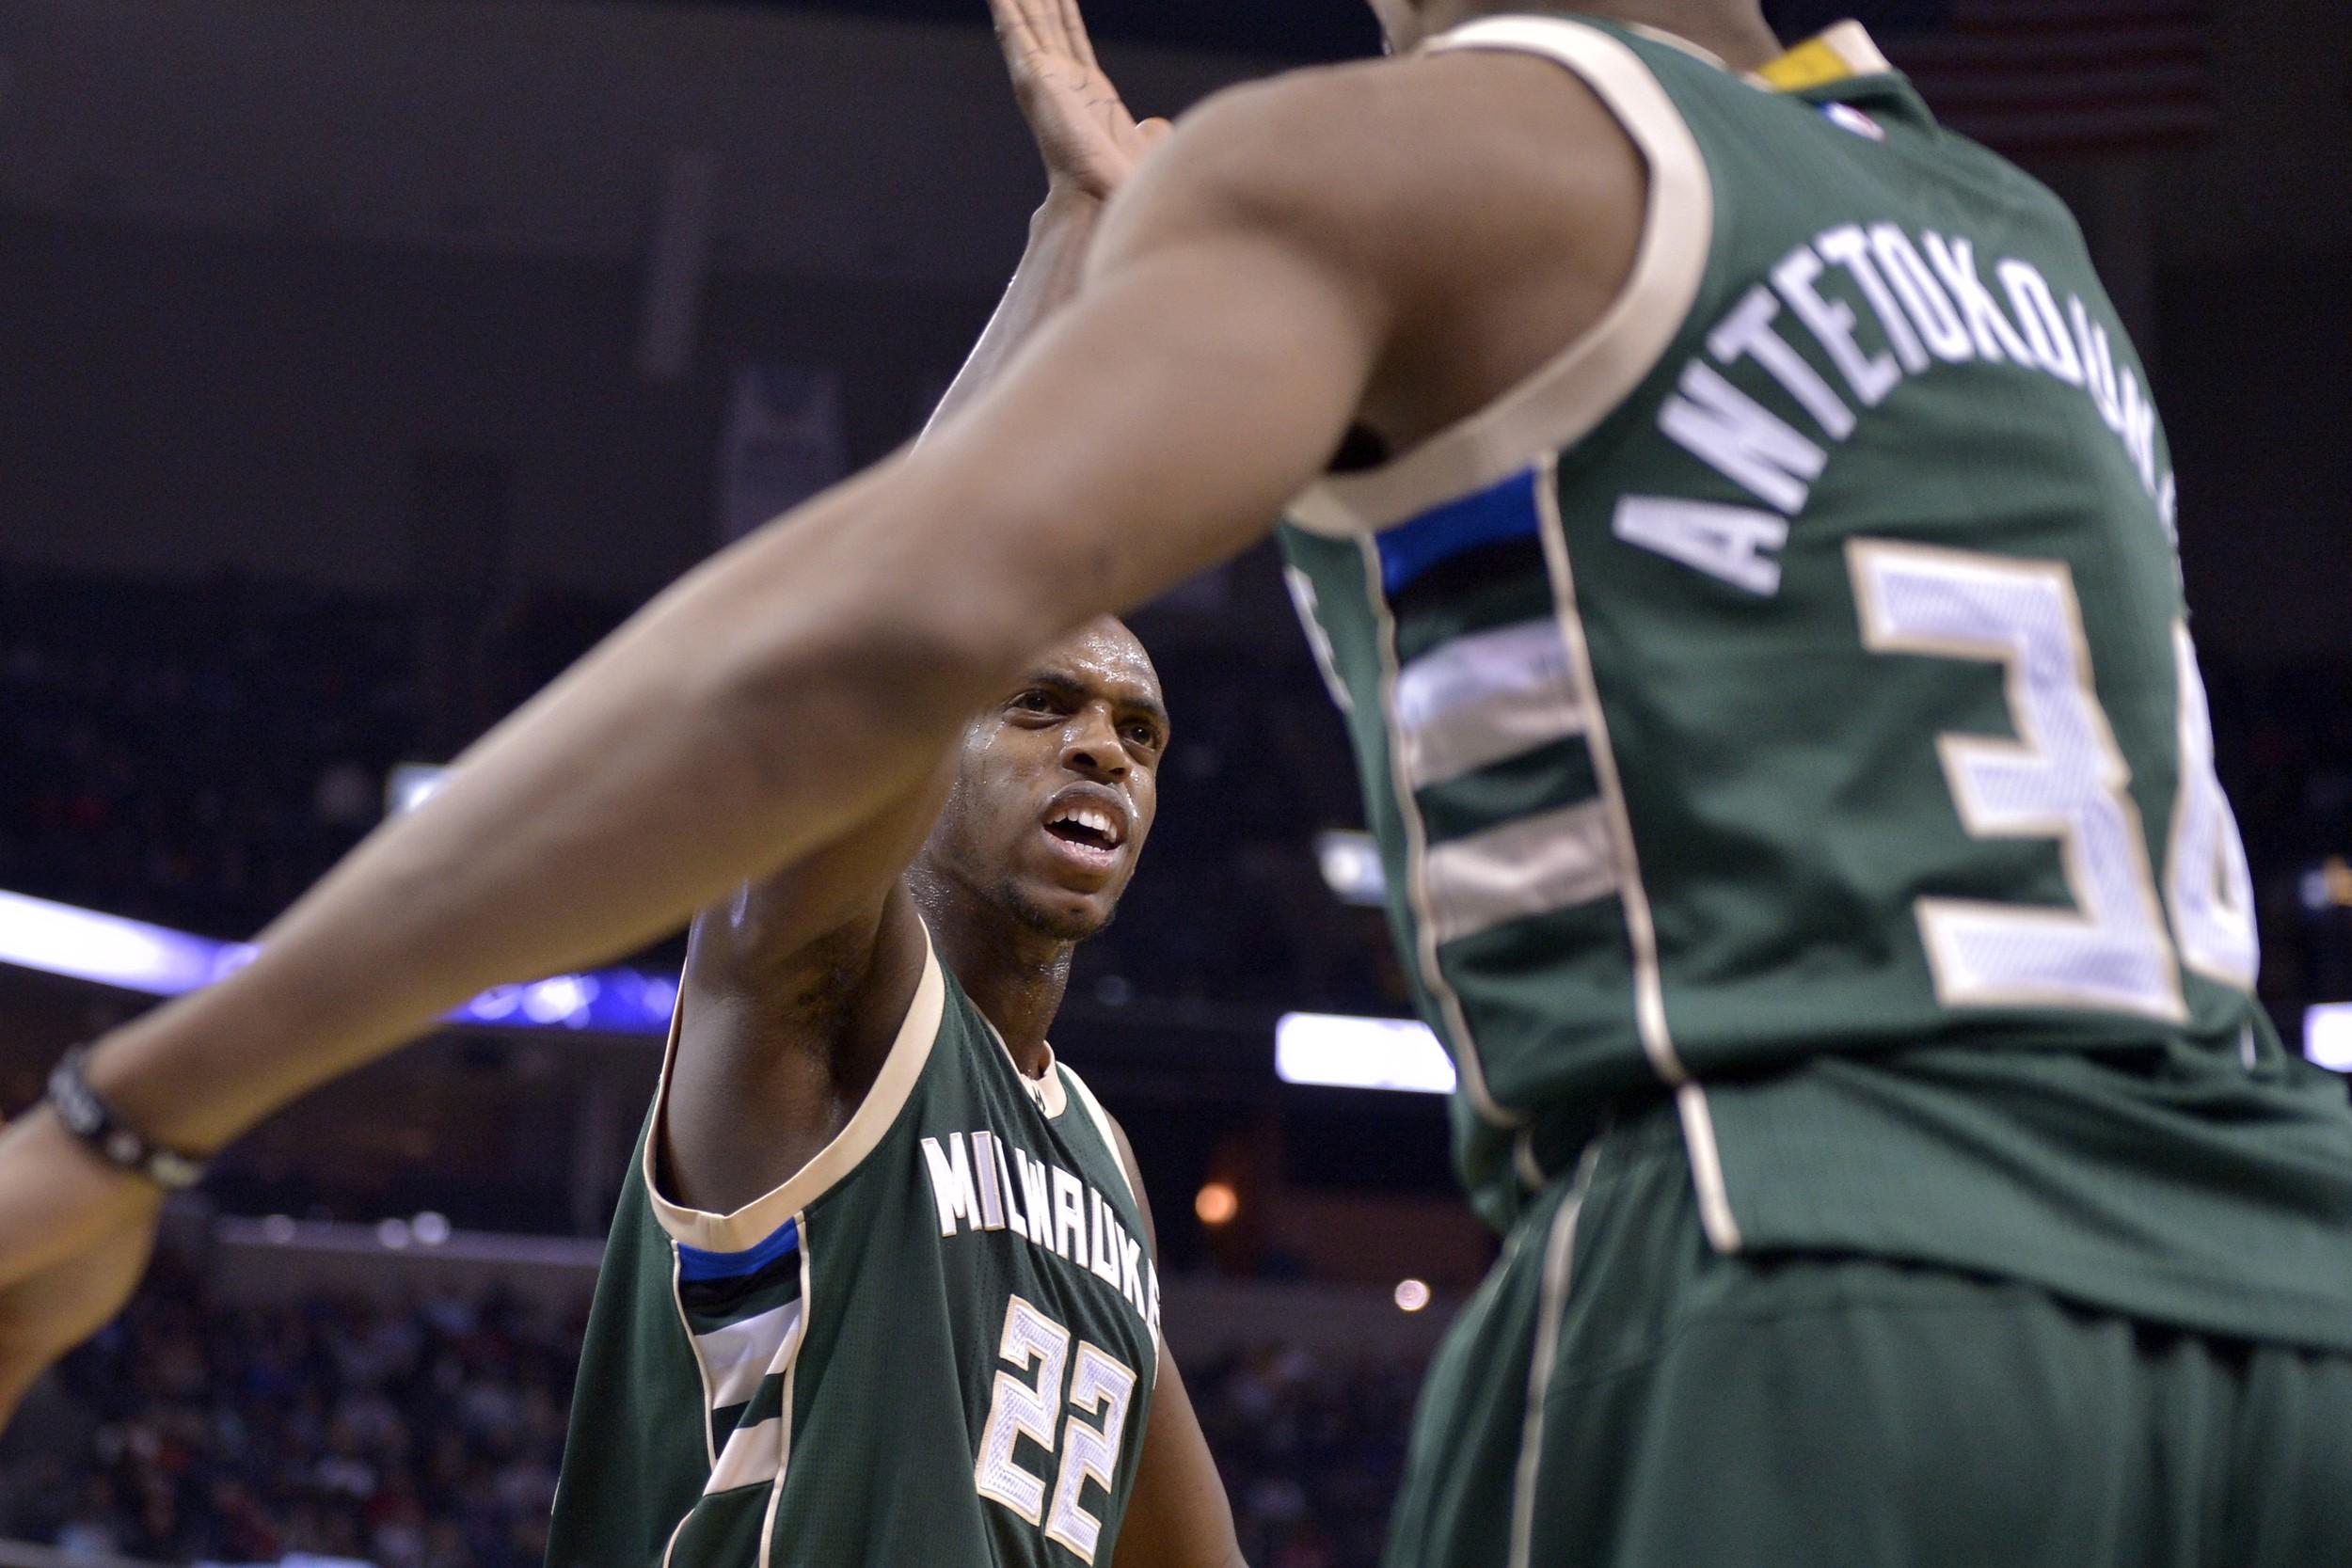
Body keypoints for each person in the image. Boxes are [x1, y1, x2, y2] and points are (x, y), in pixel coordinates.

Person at [6, 1, 2352, 1562]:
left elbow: (872, 630)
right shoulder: (2007, 235)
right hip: (2281, 1288)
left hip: (1814, 1283)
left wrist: (128, 1119)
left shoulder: (1438, 155)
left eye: (1136, 721)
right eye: (1053, 711)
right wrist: (1077, 266)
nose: (1100, 752)